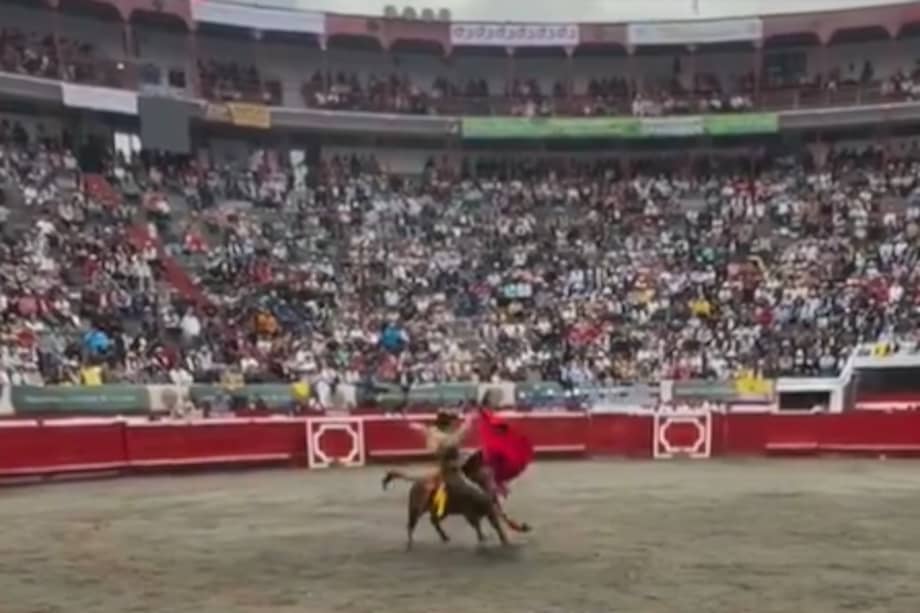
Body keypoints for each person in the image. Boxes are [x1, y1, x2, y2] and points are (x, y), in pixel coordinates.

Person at [406, 409, 493, 517]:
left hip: (450, 468)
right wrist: (469, 420)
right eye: (452, 421)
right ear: (447, 423)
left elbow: (424, 431)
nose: (453, 423)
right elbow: (459, 435)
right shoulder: (443, 436)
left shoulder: (434, 432)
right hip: (450, 472)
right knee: (476, 493)